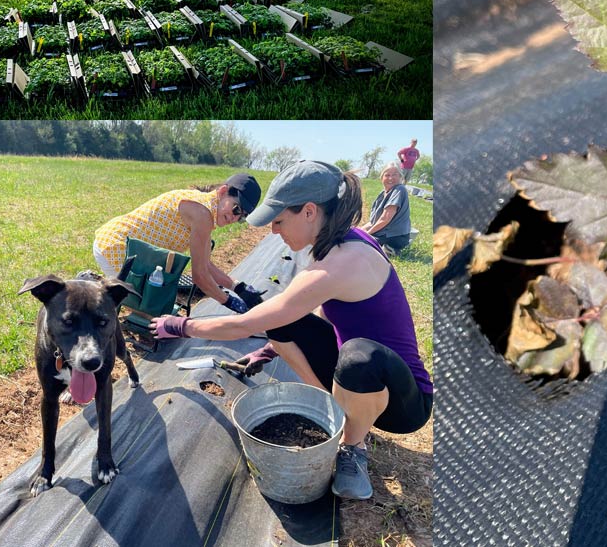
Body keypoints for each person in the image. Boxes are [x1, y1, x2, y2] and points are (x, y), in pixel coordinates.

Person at [149, 160, 433, 501]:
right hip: (362, 378)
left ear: (309, 212)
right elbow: (315, 314)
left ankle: (352, 448)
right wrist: (271, 348)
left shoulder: (342, 263)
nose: (273, 232)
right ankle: (336, 411)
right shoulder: (338, 243)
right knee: (285, 322)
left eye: (279, 221)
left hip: (404, 402)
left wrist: (181, 325)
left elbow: (245, 324)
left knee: (358, 356)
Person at [93, 173, 263, 309]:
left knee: (154, 304)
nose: (235, 218)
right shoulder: (202, 214)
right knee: (147, 311)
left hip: (117, 245)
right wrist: (229, 302)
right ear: (223, 191)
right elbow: (199, 276)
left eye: (242, 217)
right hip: (115, 249)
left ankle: (97, 283)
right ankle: (93, 286)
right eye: (236, 209)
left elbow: (206, 264)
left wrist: (239, 288)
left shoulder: (206, 208)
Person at [362, 164, 412, 254]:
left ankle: (391, 248)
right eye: (387, 175)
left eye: (394, 175)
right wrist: (358, 231)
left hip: (395, 236)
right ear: (382, 178)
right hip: (383, 232)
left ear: (401, 177)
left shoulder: (399, 189)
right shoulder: (382, 194)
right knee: (356, 236)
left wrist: (367, 235)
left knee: (360, 245)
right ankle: (384, 247)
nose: (390, 178)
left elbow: (385, 219)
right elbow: (373, 222)